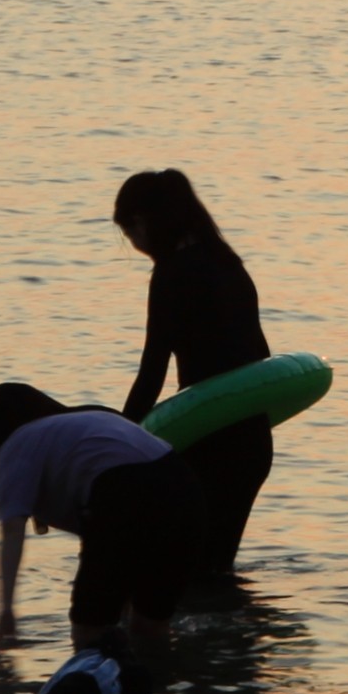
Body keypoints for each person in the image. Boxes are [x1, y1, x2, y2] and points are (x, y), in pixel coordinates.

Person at [0, 380, 207, 694]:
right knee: (149, 625)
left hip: (123, 491)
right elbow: (114, 538)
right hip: (186, 491)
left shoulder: (16, 447)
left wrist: (6, 610)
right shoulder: (83, 422)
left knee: (90, 628)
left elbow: (12, 533)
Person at [113, 169, 278, 579]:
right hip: (253, 439)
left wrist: (117, 438)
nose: (134, 244)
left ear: (147, 221)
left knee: (179, 574)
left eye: (131, 229)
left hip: (210, 443)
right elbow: (260, 355)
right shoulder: (229, 263)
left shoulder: (172, 274)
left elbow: (152, 372)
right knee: (217, 570)